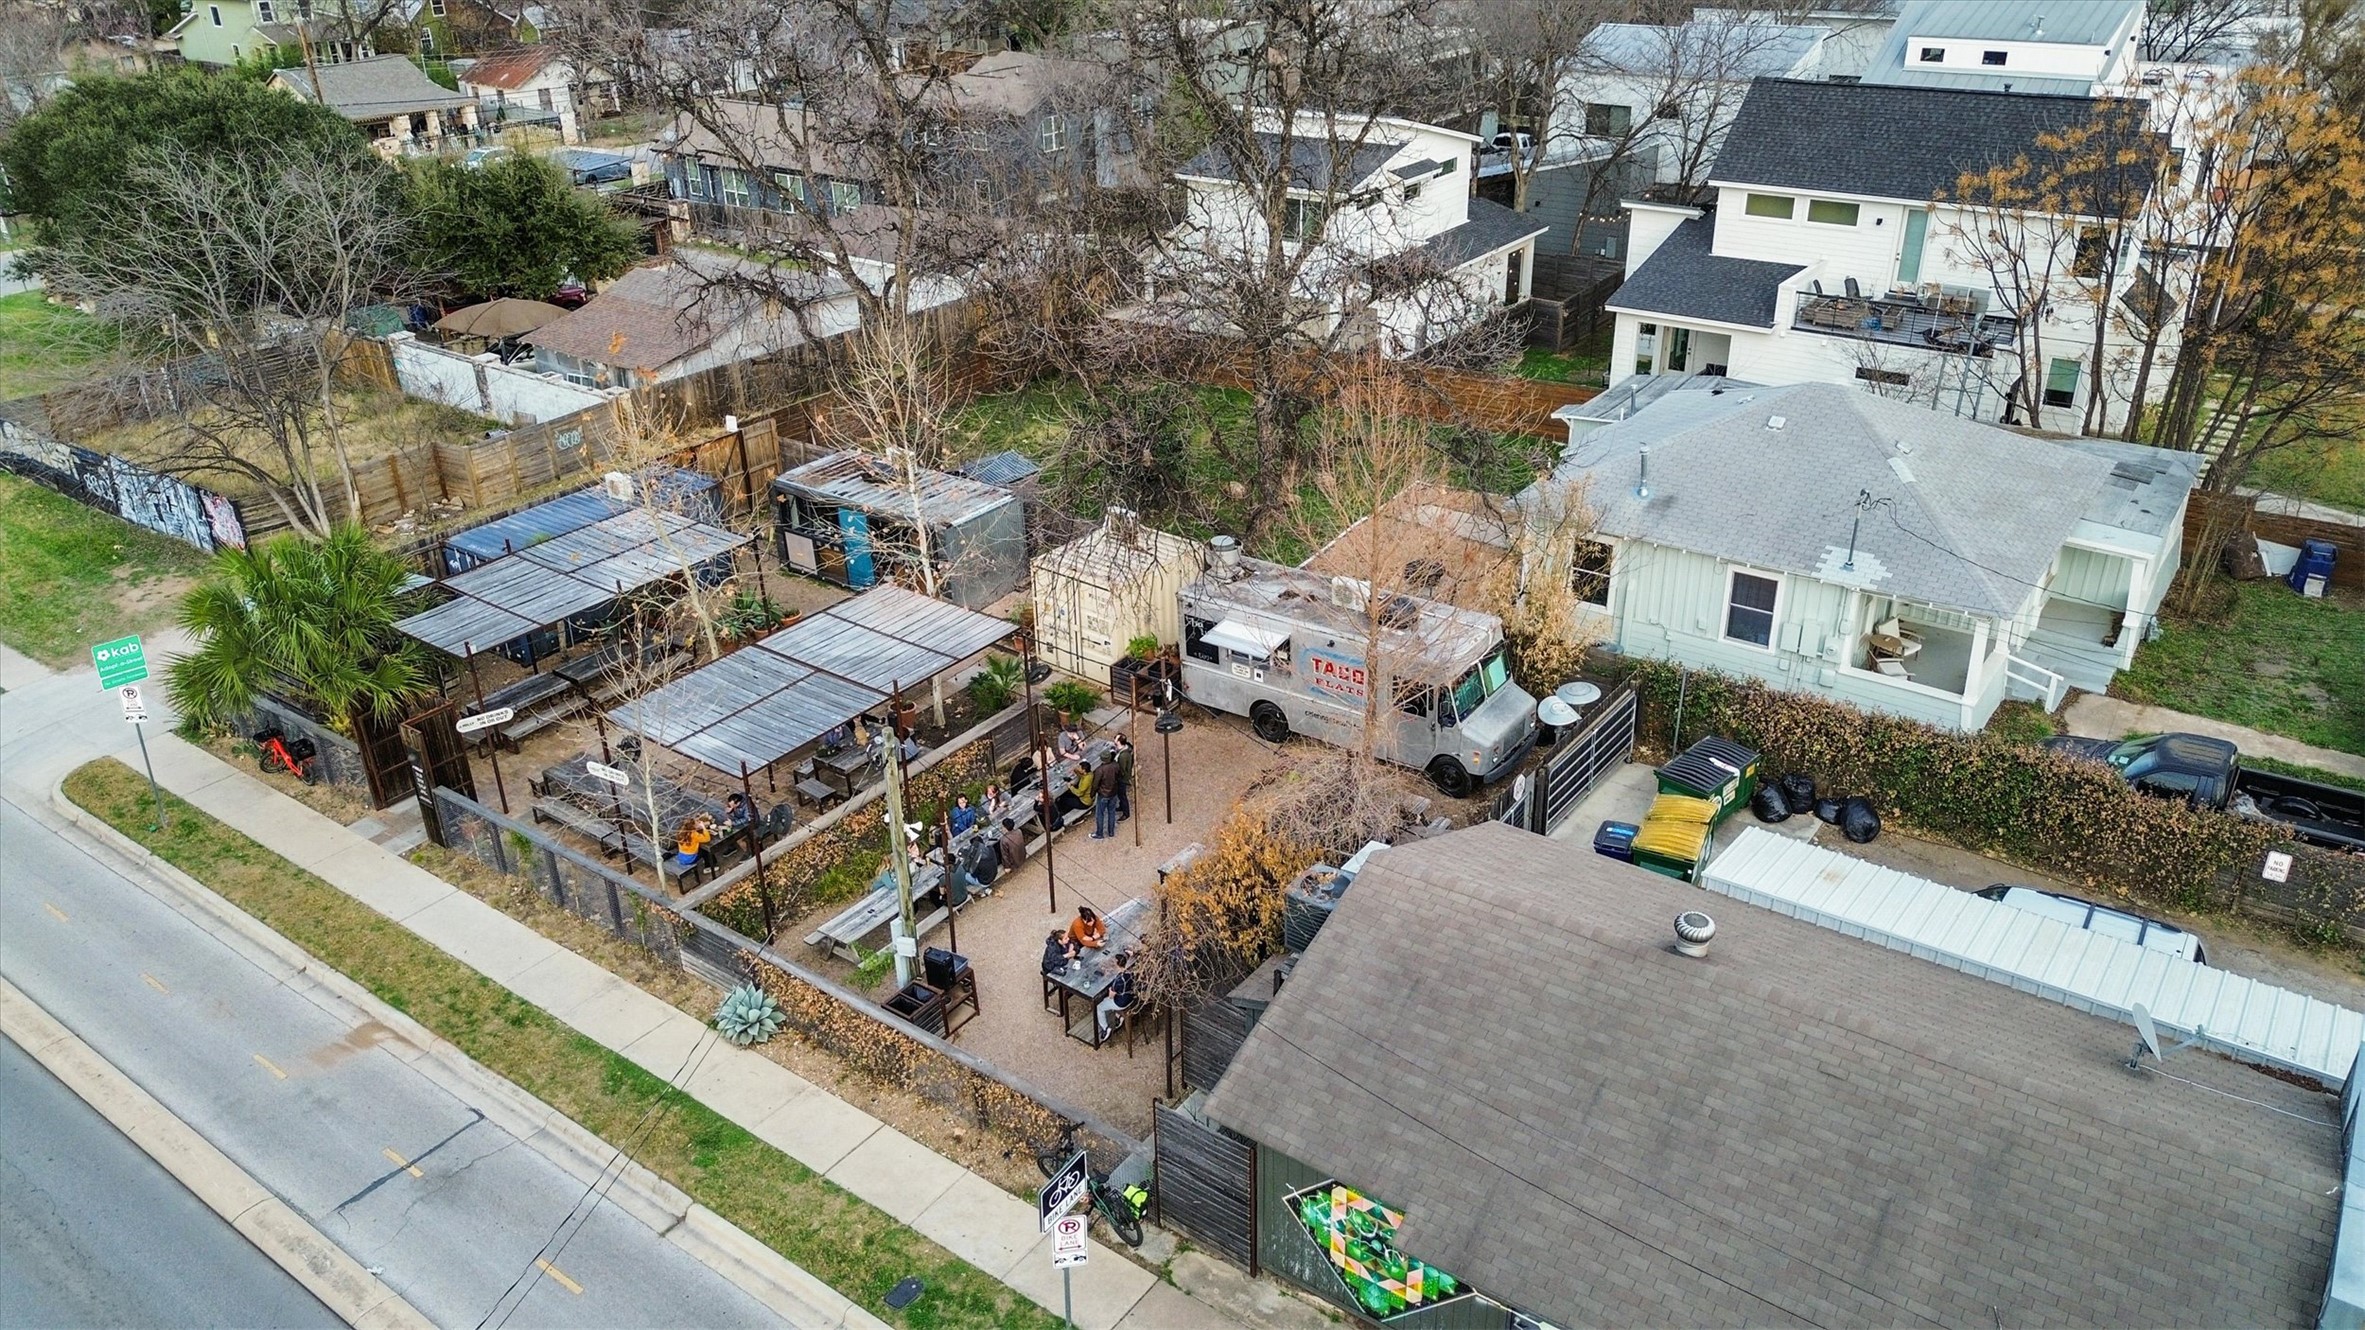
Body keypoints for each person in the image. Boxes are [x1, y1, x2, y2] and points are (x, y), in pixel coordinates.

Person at [1096, 951, 1137, 1041]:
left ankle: (1105, 1029)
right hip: (1131, 997)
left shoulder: (1118, 980)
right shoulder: (1130, 972)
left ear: (1117, 964)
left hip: (1121, 1002)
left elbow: (1111, 996)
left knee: (1099, 1006)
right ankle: (1119, 1016)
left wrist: (1110, 990)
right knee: (1107, 1000)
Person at [1090, 750, 1120, 839]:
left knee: (1100, 814)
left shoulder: (1100, 770)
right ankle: (1111, 832)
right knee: (1112, 812)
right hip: (1113, 793)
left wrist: (1092, 794)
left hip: (1103, 794)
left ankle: (1099, 833)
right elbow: (1118, 776)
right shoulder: (1115, 765)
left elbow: (1095, 784)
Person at [1113, 734, 1135, 821]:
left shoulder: (1123, 756)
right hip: (1122, 777)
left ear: (1119, 742)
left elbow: (1121, 770)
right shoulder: (1124, 750)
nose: (1114, 739)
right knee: (1120, 794)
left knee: (1122, 795)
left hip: (1122, 779)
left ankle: (1126, 813)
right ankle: (1121, 807)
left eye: (1116, 738)